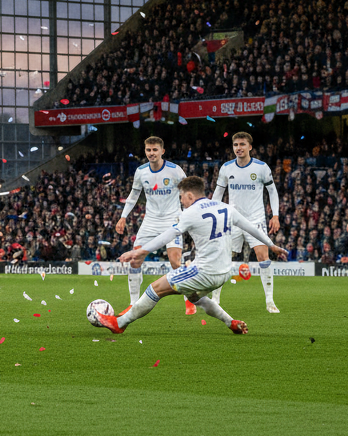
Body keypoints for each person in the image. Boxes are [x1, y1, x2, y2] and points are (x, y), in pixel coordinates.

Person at [96, 176, 288, 335]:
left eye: (181, 197)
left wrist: (139, 251)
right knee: (195, 297)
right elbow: (252, 228)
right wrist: (272, 246)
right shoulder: (226, 208)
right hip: (224, 273)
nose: (181, 201)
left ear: (189, 195)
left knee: (155, 289)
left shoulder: (190, 213)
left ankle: (119, 323)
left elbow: (168, 235)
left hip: (204, 272)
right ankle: (231, 322)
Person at [114, 136, 191, 313]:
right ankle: (134, 304)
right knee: (135, 260)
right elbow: (133, 196)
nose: (151, 153)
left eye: (155, 150)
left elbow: (189, 191)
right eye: (148, 150)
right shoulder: (141, 171)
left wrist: (190, 215)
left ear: (162, 151)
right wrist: (123, 216)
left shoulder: (175, 170)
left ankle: (189, 299)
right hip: (150, 221)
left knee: (175, 262)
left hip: (173, 220)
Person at [212, 132, 282, 313]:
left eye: (242, 144)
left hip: (255, 219)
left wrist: (275, 215)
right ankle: (215, 300)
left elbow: (272, 192)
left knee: (262, 256)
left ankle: (270, 301)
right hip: (232, 219)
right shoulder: (226, 168)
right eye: (235, 145)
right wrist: (213, 213)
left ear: (250, 147)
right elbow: (218, 194)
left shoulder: (261, 167)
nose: (238, 148)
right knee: (225, 257)